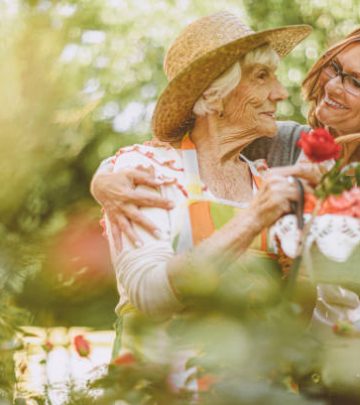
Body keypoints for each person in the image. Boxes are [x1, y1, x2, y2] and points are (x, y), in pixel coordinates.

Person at [95, 12, 312, 327]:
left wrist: (303, 269)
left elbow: (293, 320)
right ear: (214, 94)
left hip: (249, 375)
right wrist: (254, 219)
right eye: (262, 76)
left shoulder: (266, 178)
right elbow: (150, 295)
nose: (280, 92)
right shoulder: (145, 169)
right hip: (161, 373)